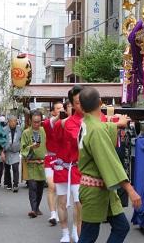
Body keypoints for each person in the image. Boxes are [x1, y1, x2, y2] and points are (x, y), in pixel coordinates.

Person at [77, 87, 142, 243]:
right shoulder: (97, 130)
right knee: (88, 236)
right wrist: (130, 190)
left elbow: (102, 127)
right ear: (100, 103)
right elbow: (110, 163)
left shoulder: (86, 123)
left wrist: (118, 124)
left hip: (102, 189)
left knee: (121, 227)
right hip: (94, 191)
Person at [54, 85, 83, 243]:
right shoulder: (61, 124)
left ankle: (75, 231)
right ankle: (65, 232)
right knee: (63, 202)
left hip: (77, 168)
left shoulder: (84, 120)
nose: (76, 107)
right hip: (62, 166)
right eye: (73, 104)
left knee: (79, 202)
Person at [21, 110, 47, 218]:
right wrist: (31, 147)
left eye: (39, 122)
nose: (37, 124)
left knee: (40, 187)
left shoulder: (44, 130)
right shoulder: (26, 132)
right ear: (30, 121)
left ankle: (37, 207)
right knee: (32, 187)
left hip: (42, 163)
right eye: (35, 122)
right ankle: (33, 209)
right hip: (31, 163)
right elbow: (23, 148)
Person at [42, 100, 63, 226]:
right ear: (53, 111)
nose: (60, 110)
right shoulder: (47, 123)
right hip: (50, 158)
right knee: (52, 186)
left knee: (60, 189)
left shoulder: (68, 123)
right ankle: (53, 213)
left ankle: (60, 211)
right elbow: (54, 120)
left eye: (62, 108)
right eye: (58, 108)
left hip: (63, 160)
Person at [3, 115, 22, 192]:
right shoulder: (4, 130)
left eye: (15, 121)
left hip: (16, 150)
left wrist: (21, 147)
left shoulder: (20, 129)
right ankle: (9, 183)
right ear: (8, 122)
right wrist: (2, 152)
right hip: (7, 150)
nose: (13, 123)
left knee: (15, 167)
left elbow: (22, 139)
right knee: (7, 168)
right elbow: (2, 140)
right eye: (11, 121)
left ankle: (15, 184)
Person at [0, 115, 7, 187]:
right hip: (5, 150)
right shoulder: (6, 129)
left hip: (0, 150)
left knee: (1, 167)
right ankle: (4, 181)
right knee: (6, 167)